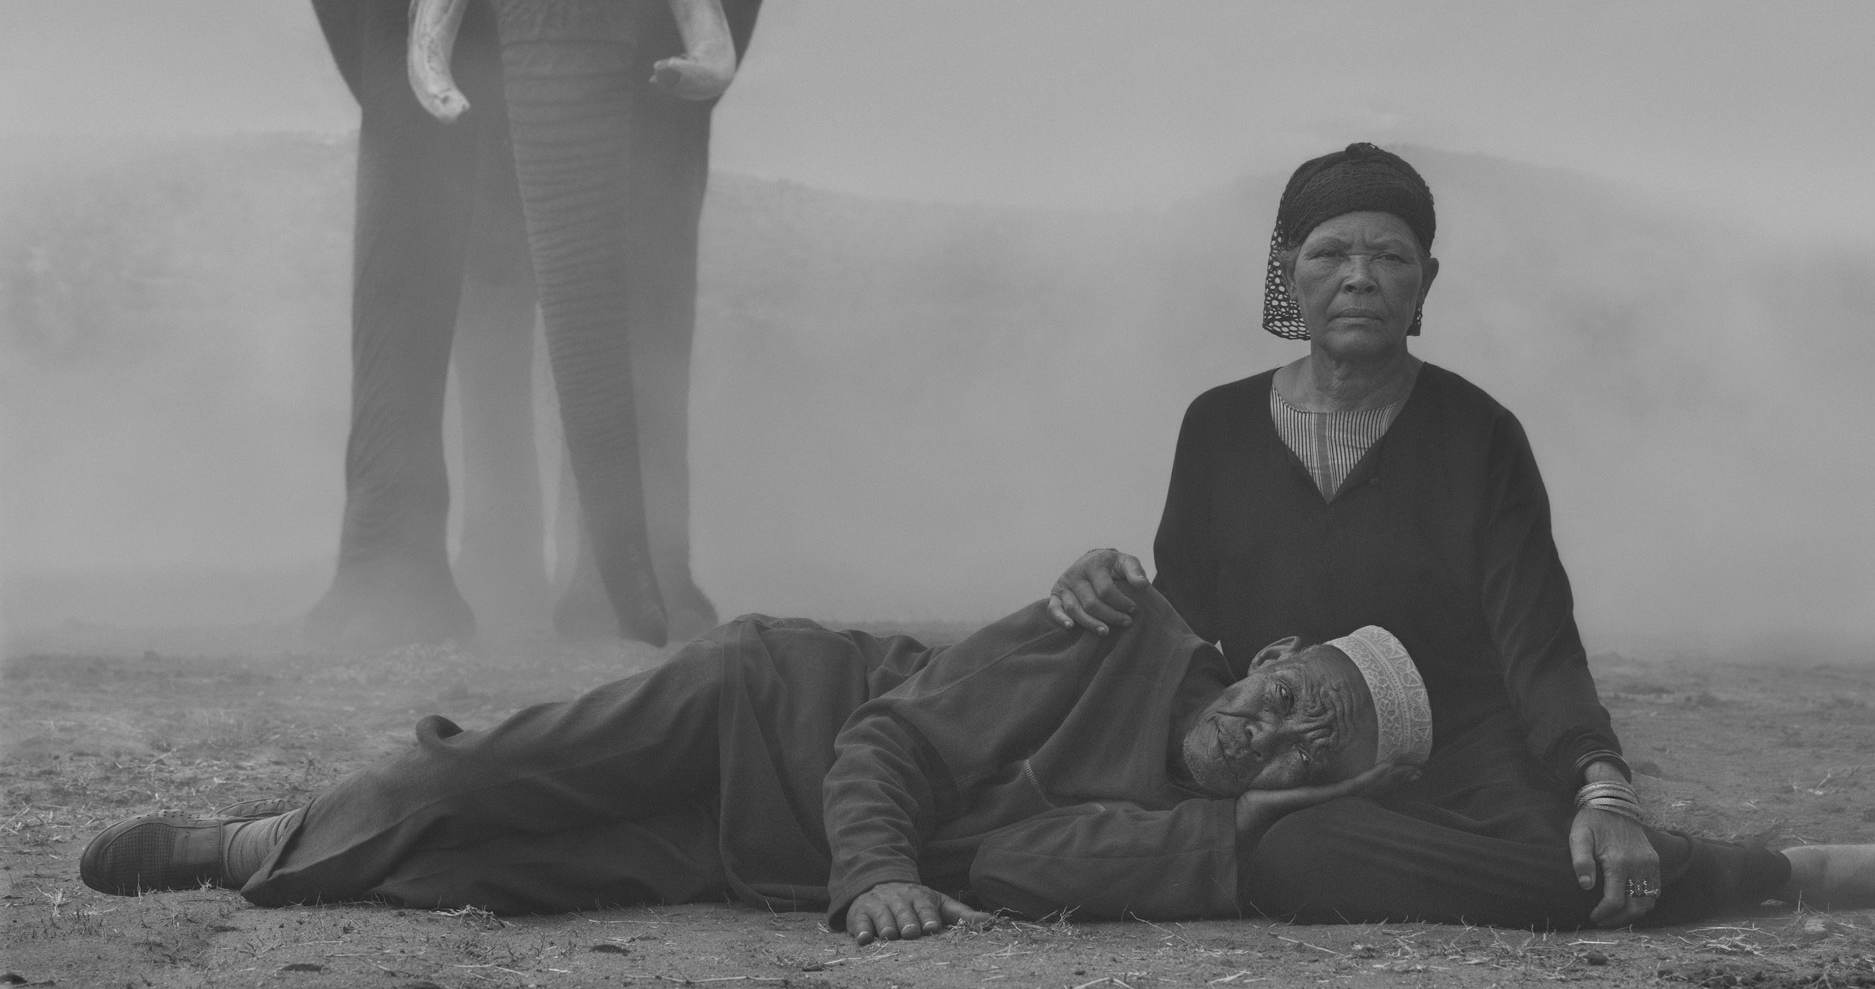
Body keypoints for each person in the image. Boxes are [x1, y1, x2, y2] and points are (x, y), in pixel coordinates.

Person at [1049, 144, 1875, 929]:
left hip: (1467, 747)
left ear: (1427, 282)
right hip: (1299, 754)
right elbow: (1186, 623)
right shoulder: (1217, 426)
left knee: (1579, 859)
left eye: (1392, 257)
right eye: (1331, 253)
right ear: (1288, 268)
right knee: (1300, 853)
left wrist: (1602, 789)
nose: (1361, 278)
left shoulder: (1477, 432)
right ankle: (1742, 876)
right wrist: (1106, 582)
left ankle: (1786, 874)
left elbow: (1537, 641)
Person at [79, 583, 1429, 940]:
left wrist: (868, 874)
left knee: (478, 879)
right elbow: (891, 741)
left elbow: (1013, 864)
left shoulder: (1185, 842)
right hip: (766, 710)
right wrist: (879, 876)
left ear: (1320, 783)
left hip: (763, 859)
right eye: (1292, 692)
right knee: (463, 787)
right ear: (1273, 654)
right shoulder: (1115, 626)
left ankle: (302, 844)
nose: (1280, 726)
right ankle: (242, 842)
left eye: (1321, 742)